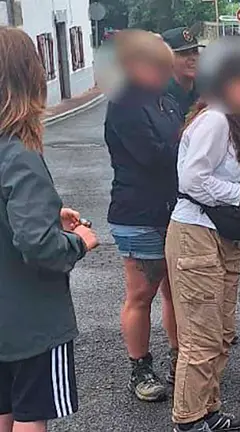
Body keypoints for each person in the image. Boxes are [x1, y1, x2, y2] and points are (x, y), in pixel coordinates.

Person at [165, 37, 240, 432]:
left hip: (216, 236)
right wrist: (238, 191)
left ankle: (208, 410)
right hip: (196, 235)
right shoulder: (216, 119)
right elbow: (191, 178)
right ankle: (189, 421)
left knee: (221, 333)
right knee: (202, 337)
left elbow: (212, 174)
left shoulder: (230, 119)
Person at [0, 26, 99, 432]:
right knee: (30, 412)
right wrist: (77, 242)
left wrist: (47, 214)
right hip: (30, 319)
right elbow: (36, 244)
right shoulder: (19, 151)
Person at [104, 29, 182, 402]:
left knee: (175, 291)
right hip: (138, 213)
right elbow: (152, 155)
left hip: (172, 208)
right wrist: (189, 151)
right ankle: (140, 368)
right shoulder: (124, 105)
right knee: (141, 293)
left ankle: (181, 358)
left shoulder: (165, 101)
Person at [163, 27, 204, 117]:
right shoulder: (159, 98)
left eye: (195, 51)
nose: (193, 58)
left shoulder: (206, 92)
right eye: (184, 53)